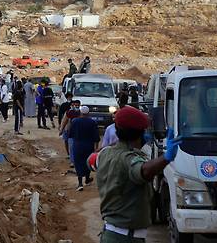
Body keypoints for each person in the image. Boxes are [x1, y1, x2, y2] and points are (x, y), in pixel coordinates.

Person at [91, 106, 181, 243]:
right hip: (126, 238)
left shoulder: (105, 154)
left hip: (112, 234)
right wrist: (166, 158)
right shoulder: (130, 159)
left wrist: (120, 142)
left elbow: (90, 160)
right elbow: (143, 170)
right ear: (140, 133)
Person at [68, 105, 100, 191]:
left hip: (77, 145)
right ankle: (87, 178)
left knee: (78, 162)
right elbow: (96, 137)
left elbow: (70, 134)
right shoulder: (92, 122)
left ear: (80, 113)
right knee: (87, 162)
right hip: (89, 145)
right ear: (88, 113)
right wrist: (96, 148)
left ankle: (80, 183)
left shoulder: (75, 121)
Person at [59, 100, 81, 164]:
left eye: (77, 105)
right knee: (71, 146)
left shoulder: (81, 113)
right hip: (69, 131)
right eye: (74, 105)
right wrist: (61, 129)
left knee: (76, 146)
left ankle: (75, 159)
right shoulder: (68, 112)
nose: (75, 106)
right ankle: (72, 160)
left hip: (78, 132)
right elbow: (64, 121)